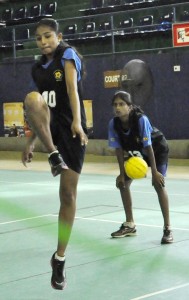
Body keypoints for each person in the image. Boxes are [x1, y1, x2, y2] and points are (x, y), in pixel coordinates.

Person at [21, 18, 88, 290]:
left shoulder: (68, 55)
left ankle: (59, 258)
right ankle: (52, 155)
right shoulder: (37, 69)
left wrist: (78, 122)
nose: (44, 41)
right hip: (52, 132)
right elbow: (39, 112)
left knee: (68, 195)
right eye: (39, 38)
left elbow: (72, 89)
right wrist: (32, 142)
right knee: (31, 99)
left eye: (48, 36)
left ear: (58, 36)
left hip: (72, 130)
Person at [108, 90, 173, 244]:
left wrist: (155, 172)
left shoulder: (140, 120)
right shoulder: (113, 124)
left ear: (129, 107)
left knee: (158, 184)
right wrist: (121, 174)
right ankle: (130, 225)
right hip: (137, 154)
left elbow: (149, 146)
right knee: (123, 184)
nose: (118, 107)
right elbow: (118, 150)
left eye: (122, 104)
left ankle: (168, 228)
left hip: (156, 150)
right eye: (115, 104)